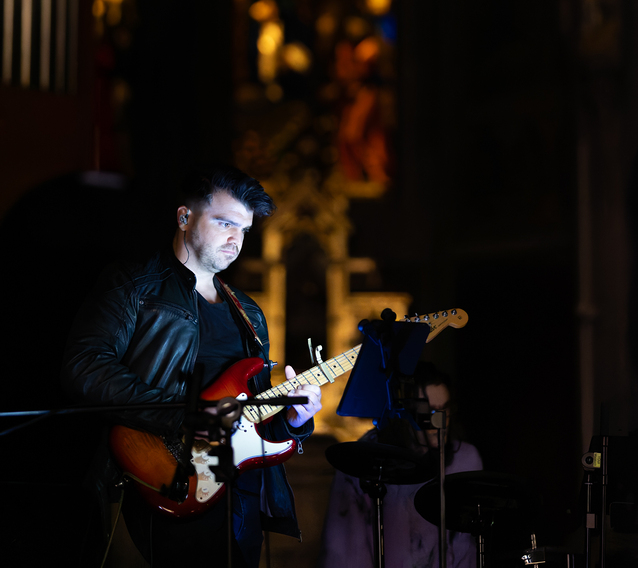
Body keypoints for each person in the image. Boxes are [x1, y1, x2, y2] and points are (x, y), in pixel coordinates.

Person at [61, 165, 322, 568]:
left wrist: (293, 419)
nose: (236, 240)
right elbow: (85, 367)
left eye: (244, 230)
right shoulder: (135, 284)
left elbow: (254, 417)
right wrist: (184, 415)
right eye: (225, 223)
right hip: (157, 482)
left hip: (238, 504)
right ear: (184, 217)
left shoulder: (249, 313)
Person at [318, 362, 482, 568]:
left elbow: (466, 549)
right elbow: (344, 551)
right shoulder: (367, 460)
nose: (440, 421)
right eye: (428, 412)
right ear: (405, 413)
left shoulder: (465, 460)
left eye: (445, 410)